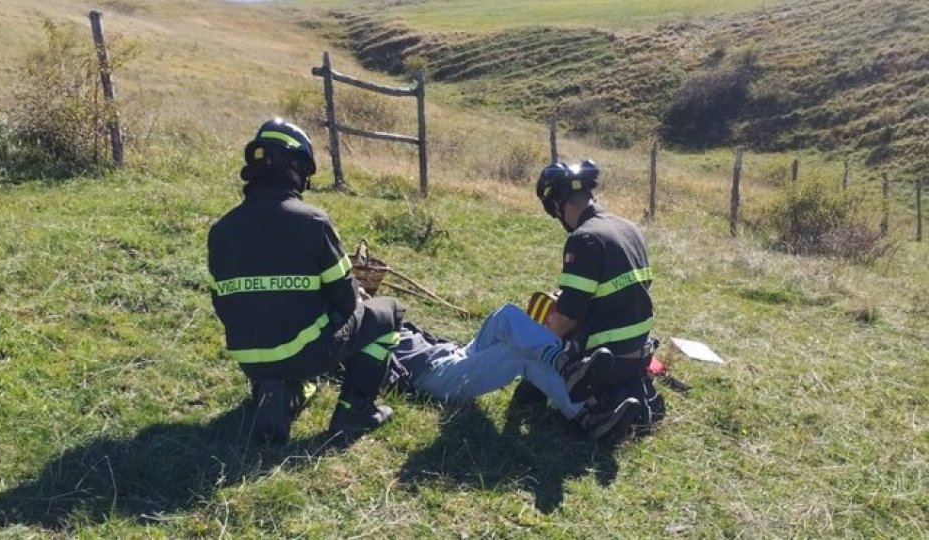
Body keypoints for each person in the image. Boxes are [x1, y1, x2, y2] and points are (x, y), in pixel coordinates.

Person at [207, 118, 405, 444]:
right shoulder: (313, 222)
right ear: (297, 167)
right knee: (390, 312)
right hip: (303, 352)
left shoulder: (222, 229)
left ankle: (279, 392)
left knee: (290, 357)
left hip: (248, 356)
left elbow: (223, 305)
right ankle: (354, 412)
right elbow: (346, 298)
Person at [527, 159, 665, 435]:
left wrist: (539, 340)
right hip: (638, 354)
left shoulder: (584, 239)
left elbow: (567, 317)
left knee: (537, 353)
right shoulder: (629, 228)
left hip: (603, 361)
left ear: (557, 204)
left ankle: (591, 410)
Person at [388, 304, 637, 441]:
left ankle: (569, 373)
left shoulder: (377, 311)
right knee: (520, 354)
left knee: (506, 314)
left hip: (453, 354)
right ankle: (585, 409)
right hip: (435, 376)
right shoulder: (363, 327)